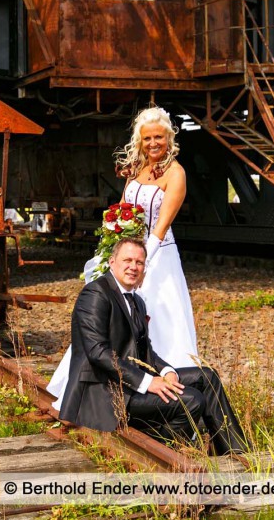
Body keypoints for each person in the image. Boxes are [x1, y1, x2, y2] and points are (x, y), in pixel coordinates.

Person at [48, 106, 198, 409]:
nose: (153, 143)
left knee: (155, 322)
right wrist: (111, 252)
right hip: (128, 255)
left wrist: (140, 265)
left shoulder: (176, 174)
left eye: (159, 137)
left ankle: (169, 397)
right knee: (112, 317)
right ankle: (105, 390)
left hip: (158, 259)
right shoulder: (136, 169)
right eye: (147, 138)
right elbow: (120, 211)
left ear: (169, 138)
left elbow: (159, 228)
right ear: (139, 140)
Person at [60, 238, 247, 455]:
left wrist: (168, 372)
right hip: (104, 390)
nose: (133, 267)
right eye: (127, 260)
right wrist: (148, 382)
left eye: (139, 262)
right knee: (192, 400)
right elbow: (97, 352)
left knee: (207, 377)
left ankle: (236, 452)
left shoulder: (136, 300)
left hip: (127, 382)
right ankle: (162, 451)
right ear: (112, 262)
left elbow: (144, 349)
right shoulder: (95, 294)